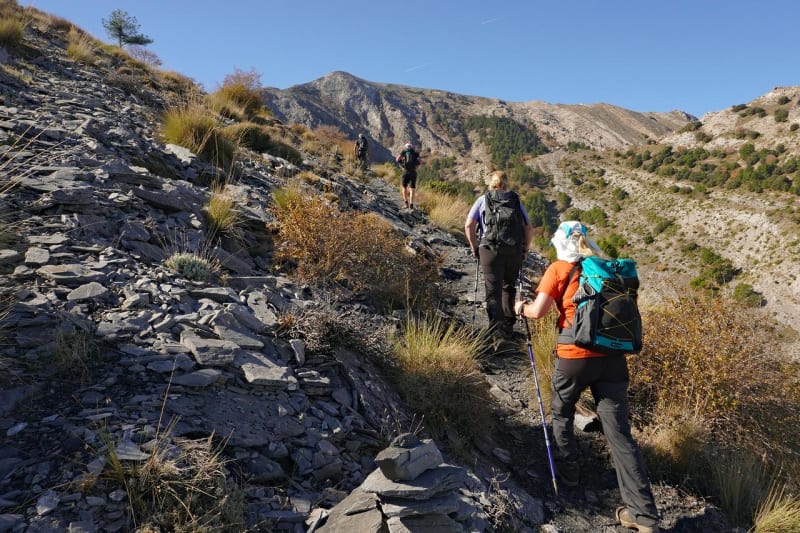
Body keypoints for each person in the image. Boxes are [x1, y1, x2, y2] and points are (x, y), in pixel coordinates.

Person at [513, 221, 660, 533]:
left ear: (560, 242)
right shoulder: (605, 269)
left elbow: (537, 312)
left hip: (574, 357)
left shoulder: (558, 269)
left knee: (562, 412)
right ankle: (645, 516)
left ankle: (569, 473)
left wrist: (520, 307)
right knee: (620, 436)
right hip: (612, 359)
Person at [464, 170, 532, 340]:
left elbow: (469, 225)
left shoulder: (483, 199)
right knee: (508, 286)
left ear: (491, 182)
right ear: (507, 183)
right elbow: (528, 227)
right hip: (513, 250)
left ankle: (496, 328)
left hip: (489, 249)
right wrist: (525, 249)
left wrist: (475, 247)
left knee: (492, 289)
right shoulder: (514, 200)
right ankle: (508, 326)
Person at [396, 142, 420, 209]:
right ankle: (411, 204)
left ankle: (406, 204)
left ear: (406, 147)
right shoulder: (415, 153)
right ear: (411, 147)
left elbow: (397, 159)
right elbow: (419, 162)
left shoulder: (403, 152)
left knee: (404, 188)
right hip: (413, 172)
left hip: (405, 172)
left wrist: (401, 159)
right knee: (412, 189)